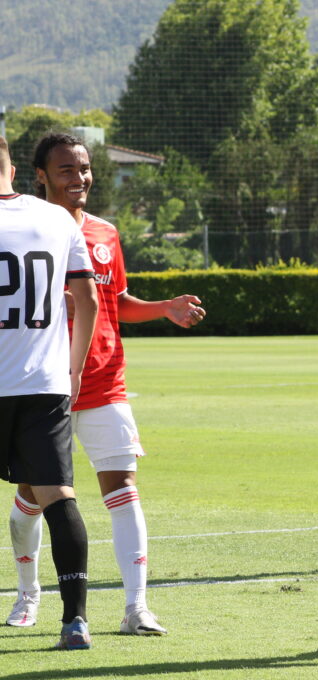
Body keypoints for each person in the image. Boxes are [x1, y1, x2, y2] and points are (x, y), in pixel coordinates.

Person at [7, 133, 205, 637]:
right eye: (67, 170)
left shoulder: (105, 234)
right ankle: (28, 593)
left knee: (123, 488)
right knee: (33, 496)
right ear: (40, 177)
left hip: (102, 381)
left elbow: (113, 301)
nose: (81, 178)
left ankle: (136, 608)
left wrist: (163, 308)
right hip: (43, 385)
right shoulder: (30, 228)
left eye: (85, 168)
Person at [0, 134, 99, 649]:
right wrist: (73, 369)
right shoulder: (57, 220)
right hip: (44, 384)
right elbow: (88, 299)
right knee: (60, 499)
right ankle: (75, 622)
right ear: (14, 168)